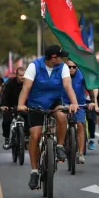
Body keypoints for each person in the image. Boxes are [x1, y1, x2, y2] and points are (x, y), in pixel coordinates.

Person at [17, 45, 78, 190]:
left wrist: (74, 103)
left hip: (54, 101)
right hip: (36, 103)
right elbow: (26, 87)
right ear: (53, 58)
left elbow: (68, 85)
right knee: (35, 135)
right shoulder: (34, 66)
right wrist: (21, 104)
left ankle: (59, 146)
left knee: (62, 116)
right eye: (61, 56)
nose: (63, 58)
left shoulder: (62, 67)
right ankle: (34, 172)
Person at [62, 59, 95, 164]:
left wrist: (93, 102)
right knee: (61, 122)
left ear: (77, 67)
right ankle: (61, 146)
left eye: (74, 67)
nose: (71, 69)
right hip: (64, 104)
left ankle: (80, 154)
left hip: (79, 105)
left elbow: (90, 89)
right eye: (69, 67)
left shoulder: (82, 75)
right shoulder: (61, 74)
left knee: (80, 125)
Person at [0, 67, 29, 149]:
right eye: (20, 75)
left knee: (29, 118)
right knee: (6, 120)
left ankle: (26, 137)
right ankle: (6, 139)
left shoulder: (28, 82)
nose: (22, 77)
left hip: (24, 105)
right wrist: (3, 105)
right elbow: (3, 94)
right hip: (10, 105)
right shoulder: (9, 82)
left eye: (24, 75)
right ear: (16, 75)